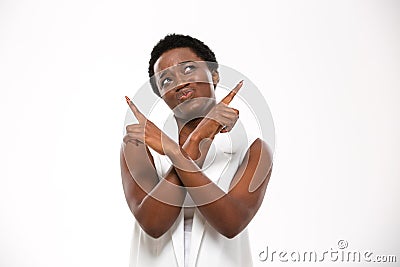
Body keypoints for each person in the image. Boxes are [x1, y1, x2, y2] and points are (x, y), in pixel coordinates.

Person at [120, 34, 273, 267]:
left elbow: (231, 223)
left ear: (214, 75)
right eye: (166, 81)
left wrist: (176, 149)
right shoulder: (138, 145)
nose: (180, 83)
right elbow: (153, 224)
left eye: (189, 69)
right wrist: (196, 139)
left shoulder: (254, 149)